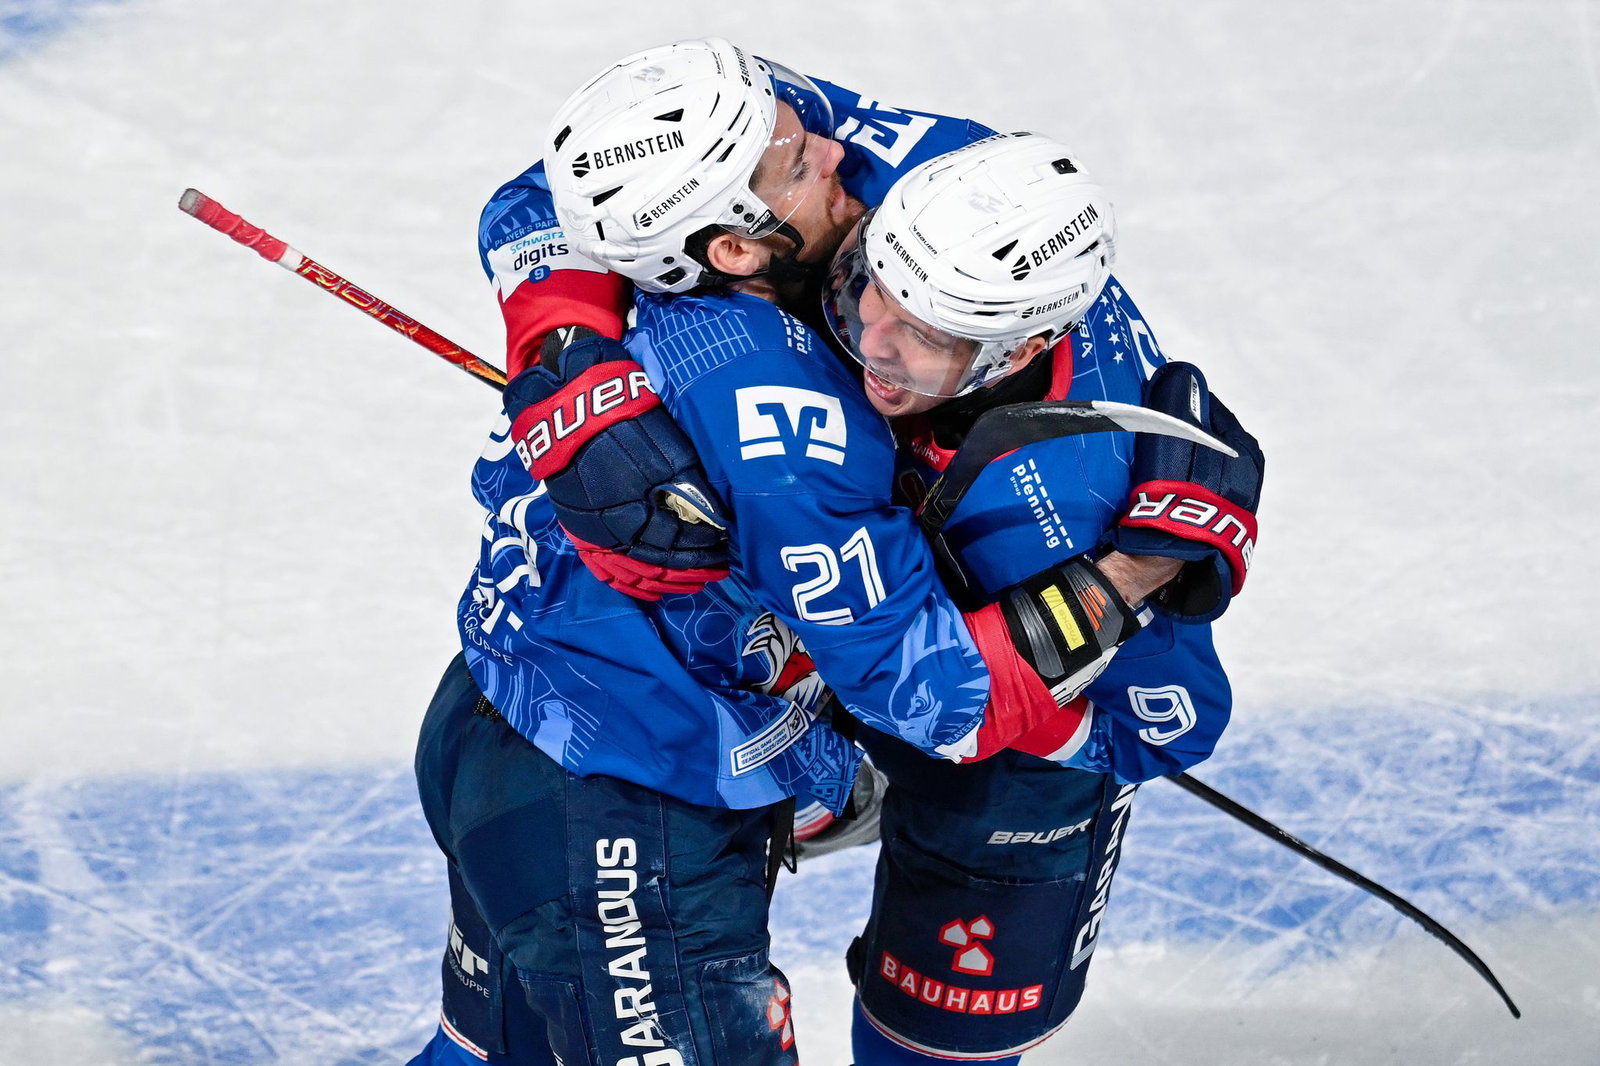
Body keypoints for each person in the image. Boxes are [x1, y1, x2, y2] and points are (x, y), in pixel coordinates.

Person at [410, 37, 1259, 1066]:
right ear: (734, 244)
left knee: (950, 1020)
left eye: (928, 331)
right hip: (627, 746)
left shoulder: (1069, 488)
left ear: (1019, 346)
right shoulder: (811, 366)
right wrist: (564, 355)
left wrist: (1142, 566)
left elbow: (1130, 718)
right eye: (871, 289)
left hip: (908, 698)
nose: (830, 144)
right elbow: (572, 183)